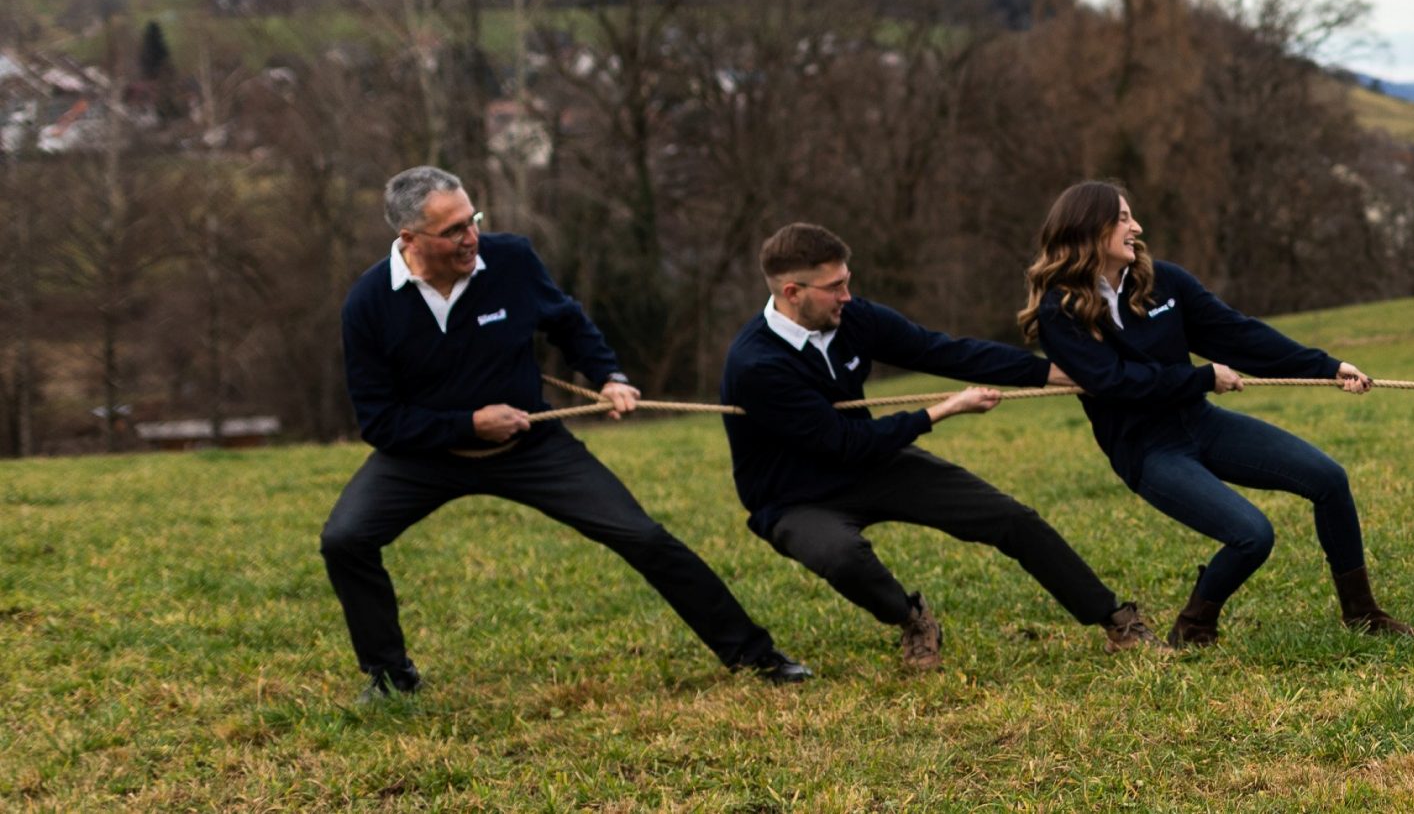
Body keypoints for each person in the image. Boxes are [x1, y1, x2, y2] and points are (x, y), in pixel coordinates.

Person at [321, 166, 810, 701]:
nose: (471, 236)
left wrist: (608, 376)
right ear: (410, 238)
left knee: (643, 536)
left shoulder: (511, 260)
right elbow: (380, 421)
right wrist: (469, 424)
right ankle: (390, 675)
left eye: (472, 219)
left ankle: (753, 654)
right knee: (345, 540)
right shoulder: (368, 303)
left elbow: (568, 322)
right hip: (426, 455)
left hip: (529, 446)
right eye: (453, 230)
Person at [721, 222, 1161, 667]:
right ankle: (911, 618)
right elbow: (842, 442)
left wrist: (1047, 373)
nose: (847, 296)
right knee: (842, 556)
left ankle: (1115, 620)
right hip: (793, 497)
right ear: (793, 292)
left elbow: (942, 351)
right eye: (834, 287)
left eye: (847, 281)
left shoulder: (853, 319)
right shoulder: (757, 365)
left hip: (871, 465)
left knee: (1011, 519)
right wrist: (940, 412)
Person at [1021, 181, 1414, 648]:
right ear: (1090, 227)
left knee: (1329, 478)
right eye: (1123, 218)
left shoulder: (1163, 282)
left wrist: (1326, 366)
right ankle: (1194, 625)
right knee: (1252, 534)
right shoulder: (1060, 313)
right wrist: (1202, 378)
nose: (1136, 228)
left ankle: (1362, 612)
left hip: (1202, 424)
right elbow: (1116, 382)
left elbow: (1235, 333)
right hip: (1147, 450)